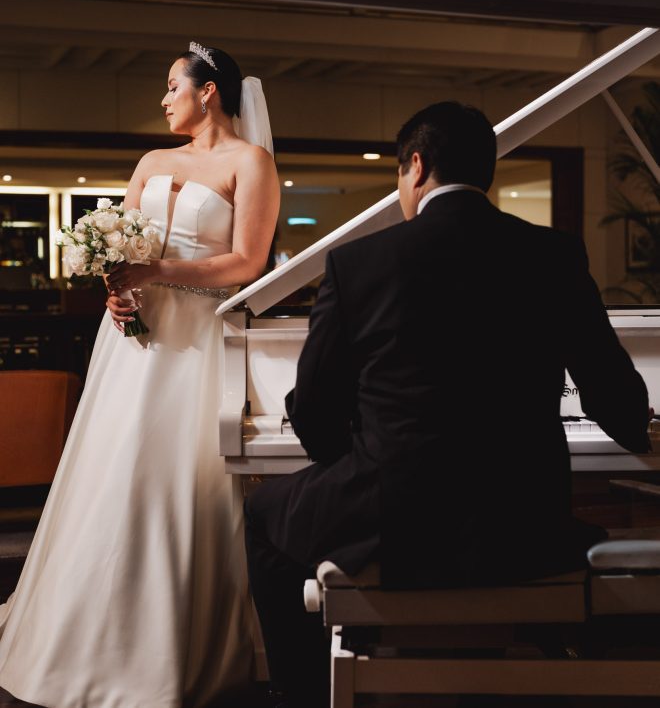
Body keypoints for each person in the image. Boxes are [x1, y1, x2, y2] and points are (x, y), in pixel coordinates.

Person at [244, 101, 651, 707]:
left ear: (416, 164)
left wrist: (361, 456)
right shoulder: (555, 255)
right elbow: (620, 404)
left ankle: (299, 693)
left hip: (396, 520)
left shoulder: (359, 264)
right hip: (526, 523)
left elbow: (313, 414)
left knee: (263, 513)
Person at [0, 43, 280, 707]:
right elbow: (121, 238)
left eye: (170, 87)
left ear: (207, 90)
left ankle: (172, 641)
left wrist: (158, 273)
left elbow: (248, 263)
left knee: (177, 476)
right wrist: (115, 288)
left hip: (198, 340)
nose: (162, 99)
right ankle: (81, 630)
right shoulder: (152, 162)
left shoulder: (251, 163)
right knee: (109, 467)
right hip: (131, 337)